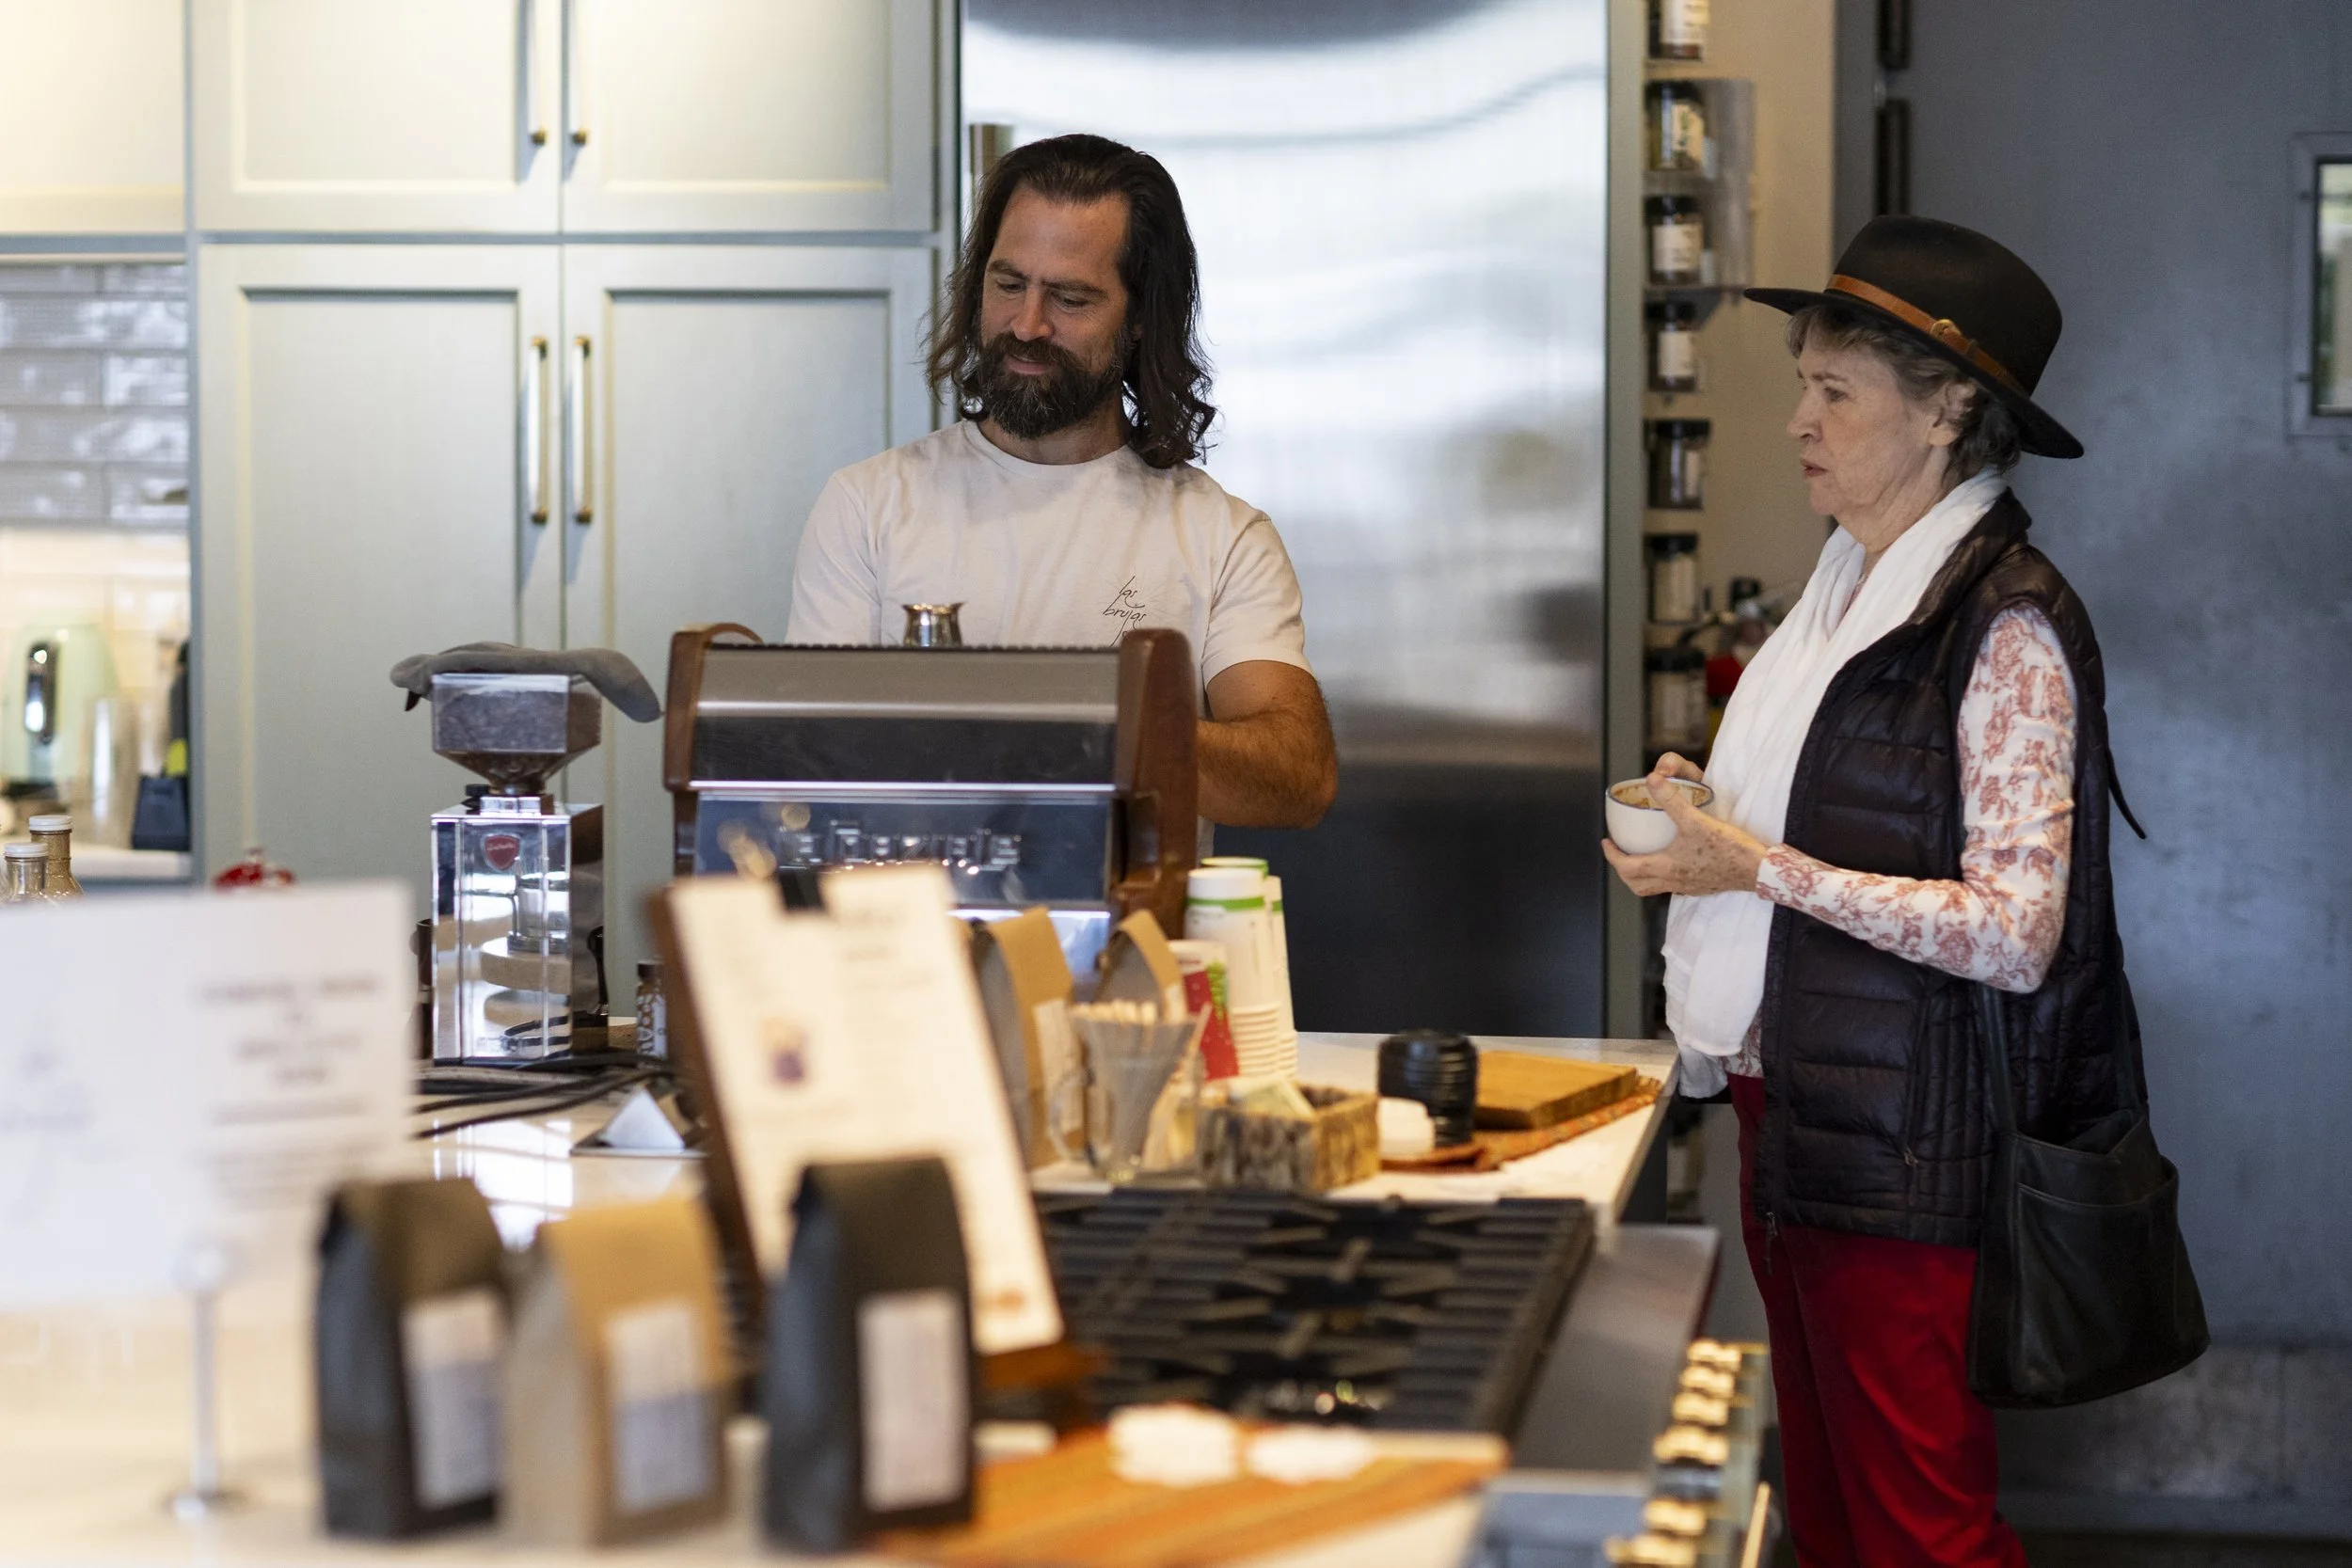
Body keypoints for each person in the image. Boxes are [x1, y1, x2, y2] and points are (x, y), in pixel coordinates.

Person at [1604, 216, 2137, 1567]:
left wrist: (1753, 864)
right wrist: (1712, 802)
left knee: (1919, 1528)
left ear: (1949, 408)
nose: (1798, 421)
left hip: (1910, 1141)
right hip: (1796, 1109)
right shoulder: (1846, 582)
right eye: (1805, 384)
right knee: (1838, 1514)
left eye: (1834, 392)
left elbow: (2016, 931)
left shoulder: (2004, 622)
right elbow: (1830, 804)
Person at [786, 134, 1338, 830]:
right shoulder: (867, 505)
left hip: (1130, 906)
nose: (1027, 325)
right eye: (1008, 284)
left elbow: (1296, 777)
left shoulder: (1222, 536)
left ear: (1142, 318)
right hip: (912, 903)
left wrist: (1075, 726)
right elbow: (805, 768)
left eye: (1070, 299)